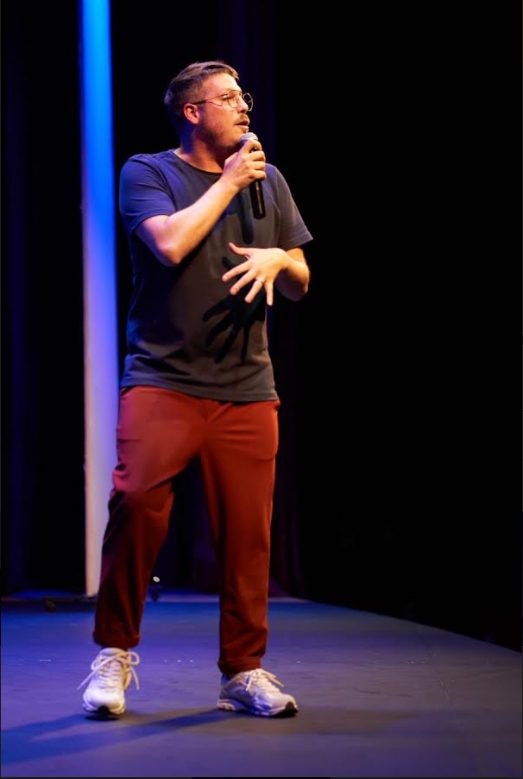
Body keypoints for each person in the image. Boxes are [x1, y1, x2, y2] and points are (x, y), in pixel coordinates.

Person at [78, 60, 313, 719]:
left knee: (247, 533)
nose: (244, 107)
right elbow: (170, 244)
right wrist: (229, 181)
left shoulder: (270, 181)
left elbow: (300, 278)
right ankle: (115, 650)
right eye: (228, 98)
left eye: (244, 97)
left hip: (246, 385)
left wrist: (281, 258)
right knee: (137, 502)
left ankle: (243, 669)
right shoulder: (147, 172)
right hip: (163, 378)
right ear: (192, 112)